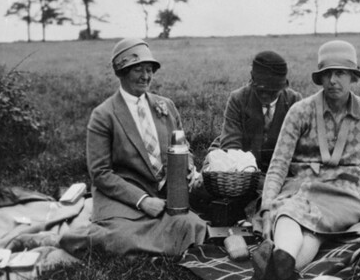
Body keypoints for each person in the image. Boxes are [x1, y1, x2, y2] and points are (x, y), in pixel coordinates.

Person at [58, 38, 207, 258]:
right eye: (138, 70)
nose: (146, 77)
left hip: (164, 196)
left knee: (193, 227)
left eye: (149, 70)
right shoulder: (103, 115)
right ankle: (83, 238)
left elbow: (184, 148)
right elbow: (100, 174)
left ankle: (147, 247)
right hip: (122, 199)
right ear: (121, 72)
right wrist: (143, 201)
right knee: (121, 239)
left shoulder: (166, 106)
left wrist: (189, 168)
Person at [251, 40, 360, 280]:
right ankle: (284, 264)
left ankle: (276, 266)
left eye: (340, 73)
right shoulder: (300, 111)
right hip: (303, 185)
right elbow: (279, 163)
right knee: (290, 213)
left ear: (353, 77)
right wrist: (267, 207)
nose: (333, 80)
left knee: (306, 222)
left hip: (345, 192)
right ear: (320, 78)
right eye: (327, 74)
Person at [210, 50, 303, 172]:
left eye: (272, 92)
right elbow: (231, 146)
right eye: (259, 90)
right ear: (252, 80)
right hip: (243, 168)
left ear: (282, 88)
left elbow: (302, 149)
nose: (265, 96)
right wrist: (249, 171)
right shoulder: (238, 99)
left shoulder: (294, 101)